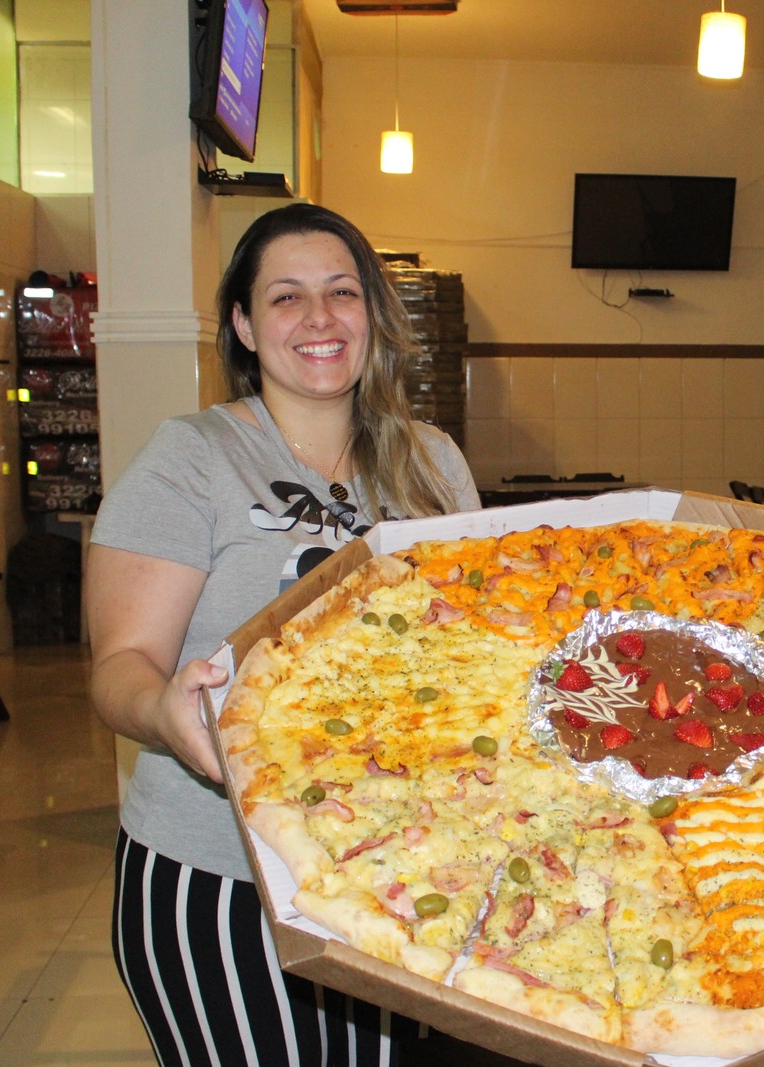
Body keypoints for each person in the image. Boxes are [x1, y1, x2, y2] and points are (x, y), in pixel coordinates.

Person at [87, 202, 480, 1065]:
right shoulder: (192, 458)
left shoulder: (436, 462)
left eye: (342, 292)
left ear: (373, 314)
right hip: (225, 876)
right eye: (286, 296)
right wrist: (163, 710)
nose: (318, 318)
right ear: (242, 322)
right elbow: (119, 665)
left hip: (403, 871)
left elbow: (473, 647)